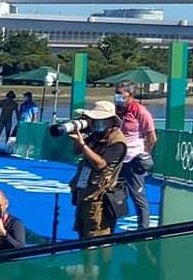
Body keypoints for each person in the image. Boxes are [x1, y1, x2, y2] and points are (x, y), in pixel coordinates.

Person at [67, 100, 128, 240]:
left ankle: (99, 256)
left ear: (110, 121)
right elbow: (76, 151)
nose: (95, 123)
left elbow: (101, 164)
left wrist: (83, 145)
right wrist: (78, 137)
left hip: (100, 198)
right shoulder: (96, 136)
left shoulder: (117, 142)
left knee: (98, 238)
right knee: (82, 234)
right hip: (85, 193)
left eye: (98, 120)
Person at [114, 82, 158, 230]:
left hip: (133, 159)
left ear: (130, 95)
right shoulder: (116, 110)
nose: (117, 96)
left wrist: (144, 153)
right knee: (112, 192)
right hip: (116, 158)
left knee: (138, 197)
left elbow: (152, 137)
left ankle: (143, 230)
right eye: (116, 93)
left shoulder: (140, 111)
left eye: (121, 94)